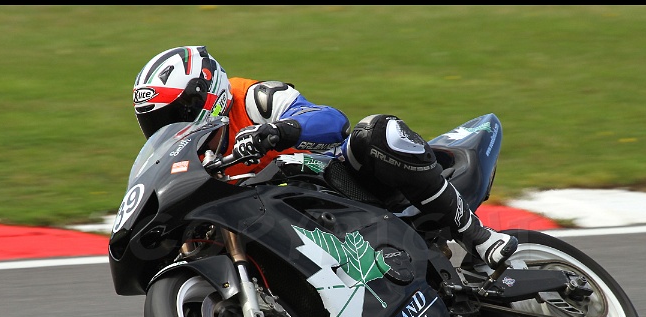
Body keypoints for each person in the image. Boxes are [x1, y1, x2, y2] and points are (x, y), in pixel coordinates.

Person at [132, 45, 517, 269]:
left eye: (175, 115)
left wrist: (276, 132)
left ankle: (478, 236)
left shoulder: (253, 98)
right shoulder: (189, 155)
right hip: (288, 226)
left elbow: (332, 120)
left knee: (376, 131)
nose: (170, 127)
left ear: (208, 95)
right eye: (157, 123)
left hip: (341, 184)